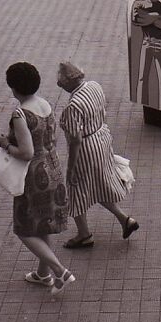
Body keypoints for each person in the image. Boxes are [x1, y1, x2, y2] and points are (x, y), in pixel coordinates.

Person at [0, 62, 73, 295]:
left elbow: (27, 152)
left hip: (33, 178)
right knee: (42, 224)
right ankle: (43, 274)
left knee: (23, 229)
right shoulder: (45, 104)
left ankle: (60, 270)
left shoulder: (20, 114)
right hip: (53, 169)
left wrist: (6, 145)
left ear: (13, 87)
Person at [58, 62, 139, 248]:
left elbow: (75, 140)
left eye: (61, 81)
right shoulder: (94, 86)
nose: (59, 84)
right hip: (101, 140)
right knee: (99, 184)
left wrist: (71, 168)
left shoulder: (73, 106)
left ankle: (84, 234)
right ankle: (125, 220)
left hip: (86, 148)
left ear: (69, 81)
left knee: (75, 189)